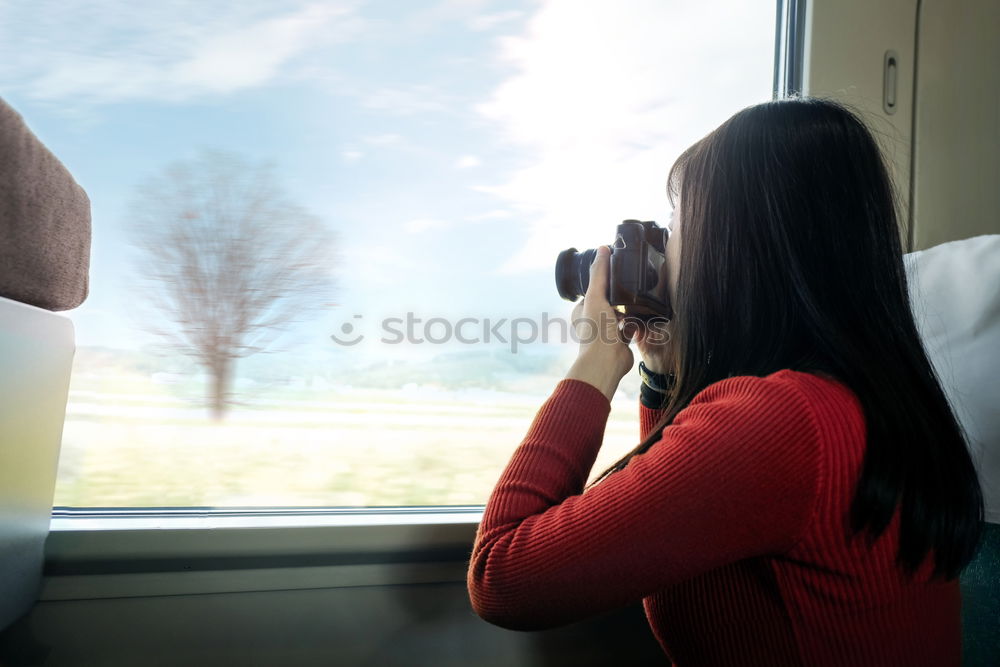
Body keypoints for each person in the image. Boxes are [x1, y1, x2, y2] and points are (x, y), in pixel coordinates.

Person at [466, 97, 984, 666]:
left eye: (679, 222)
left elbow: (503, 578)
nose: (666, 249)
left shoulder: (770, 422)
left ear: (736, 244)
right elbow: (680, 494)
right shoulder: (855, 399)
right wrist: (661, 367)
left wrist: (595, 361)